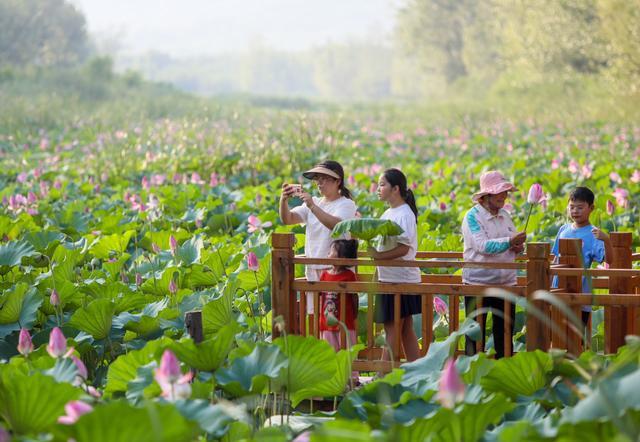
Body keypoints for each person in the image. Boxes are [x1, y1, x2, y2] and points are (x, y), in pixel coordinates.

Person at [279, 160, 357, 326]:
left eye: (325, 179)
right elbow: (288, 219)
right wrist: (283, 200)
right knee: (318, 322)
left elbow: (336, 225)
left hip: (335, 271)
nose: (320, 183)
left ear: (338, 181)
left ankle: (340, 352)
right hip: (313, 270)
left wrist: (312, 206)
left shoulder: (346, 204)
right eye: (317, 179)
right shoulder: (314, 202)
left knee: (336, 321)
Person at [462, 170, 526, 359]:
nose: (504, 196)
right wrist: (509, 241)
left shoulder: (505, 215)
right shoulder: (472, 217)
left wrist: (518, 247)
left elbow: (512, 242)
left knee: (505, 333)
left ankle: (504, 376)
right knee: (474, 334)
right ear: (486, 195)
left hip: (506, 283)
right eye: (499, 192)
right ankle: (471, 375)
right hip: (477, 284)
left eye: (505, 192)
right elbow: (482, 246)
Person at [368, 168, 421, 362]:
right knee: (405, 329)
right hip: (391, 278)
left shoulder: (404, 214)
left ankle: (382, 376)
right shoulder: (388, 213)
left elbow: (403, 249)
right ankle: (418, 371)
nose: (378, 188)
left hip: (400, 279)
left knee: (392, 328)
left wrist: (379, 257)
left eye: (382, 185)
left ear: (396, 189)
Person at [552, 186, 613, 327]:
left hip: (580, 292)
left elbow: (609, 261)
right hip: (558, 290)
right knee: (556, 337)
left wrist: (607, 240)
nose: (575, 211)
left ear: (591, 208)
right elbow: (556, 258)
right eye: (572, 207)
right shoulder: (563, 229)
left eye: (580, 207)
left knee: (575, 339)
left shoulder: (594, 233)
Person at [319, 239, 359, 352]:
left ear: (342, 258)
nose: (328, 254)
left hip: (345, 324)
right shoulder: (324, 275)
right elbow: (320, 295)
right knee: (329, 356)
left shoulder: (349, 276)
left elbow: (354, 297)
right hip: (327, 323)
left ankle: (351, 370)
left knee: (348, 354)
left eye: (331, 251)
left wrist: (355, 314)